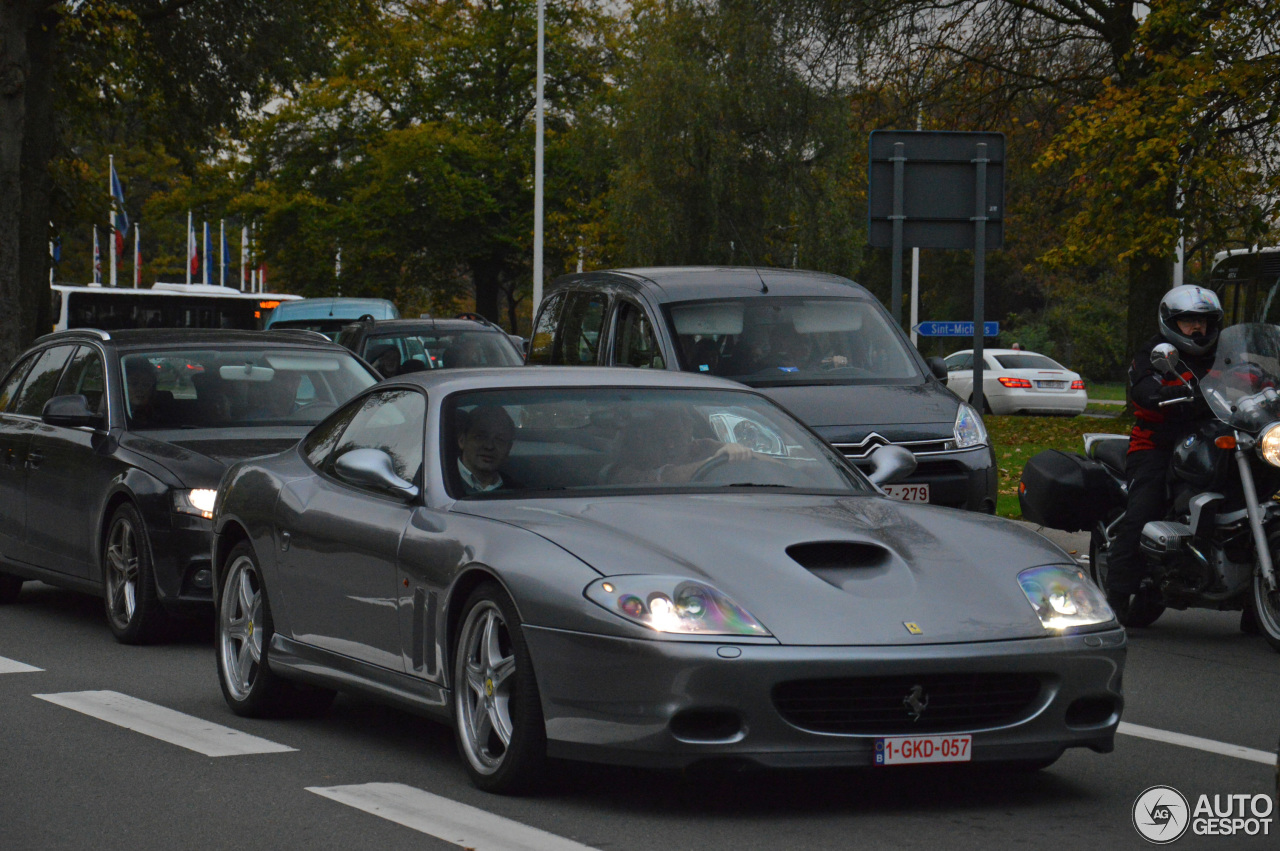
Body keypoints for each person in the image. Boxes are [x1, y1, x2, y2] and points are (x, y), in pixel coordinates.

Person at [1106, 285, 1223, 623]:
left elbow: (1249, 375)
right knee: (1145, 505)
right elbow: (1142, 386)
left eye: (1203, 321)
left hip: (1210, 440)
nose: (1197, 328)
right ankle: (1117, 594)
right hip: (1157, 443)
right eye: (1189, 321)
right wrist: (1156, 394)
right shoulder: (1154, 352)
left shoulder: (1222, 353)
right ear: (1172, 322)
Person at [608, 404, 757, 484]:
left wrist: (741, 453)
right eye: (661, 439)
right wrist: (712, 463)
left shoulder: (699, 446)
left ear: (688, 433)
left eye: (676, 437)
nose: (671, 446)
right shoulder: (621, 474)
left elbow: (770, 465)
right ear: (640, 439)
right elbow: (665, 478)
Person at [456, 405, 519, 494]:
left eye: (499, 440)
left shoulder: (518, 492)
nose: (489, 446)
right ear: (462, 440)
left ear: (509, 448)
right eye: (480, 437)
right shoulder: (436, 481)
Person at [124, 358, 172, 428]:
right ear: (122, 385)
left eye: (146, 384)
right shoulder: (112, 412)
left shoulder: (163, 415)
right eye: (134, 383)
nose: (140, 389)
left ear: (152, 389)